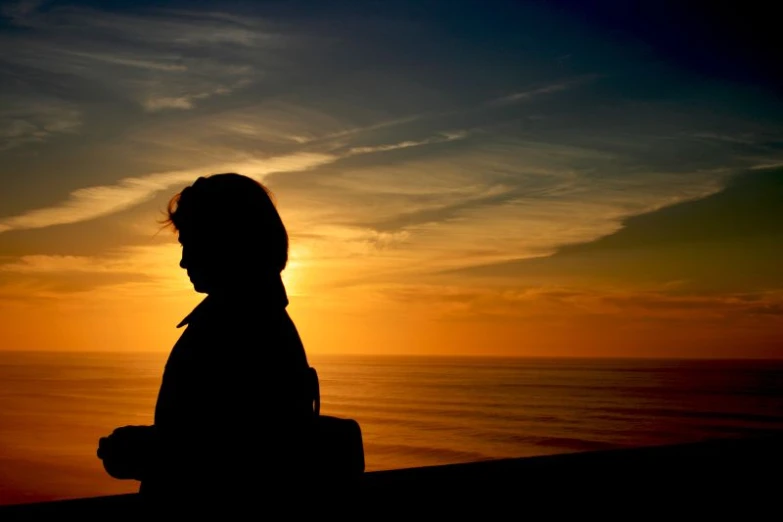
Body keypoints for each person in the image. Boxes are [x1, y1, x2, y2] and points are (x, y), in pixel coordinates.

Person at [97, 173, 317, 512]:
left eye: (190, 243)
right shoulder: (259, 321)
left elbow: (226, 458)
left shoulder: (234, 331)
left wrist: (133, 450)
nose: (184, 261)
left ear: (225, 241)